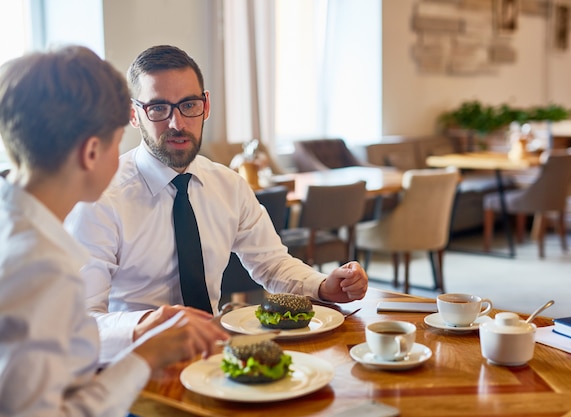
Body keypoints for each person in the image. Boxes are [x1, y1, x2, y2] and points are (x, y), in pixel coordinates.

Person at [64, 45, 368, 363]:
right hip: (131, 369)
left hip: (212, 357)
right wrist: (143, 327)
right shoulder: (99, 199)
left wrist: (323, 286)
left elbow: (273, 264)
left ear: (206, 105)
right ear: (134, 114)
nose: (176, 123)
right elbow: (79, 323)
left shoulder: (229, 185)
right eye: (158, 108)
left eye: (188, 105)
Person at [0, 46, 229, 416]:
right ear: (92, 152)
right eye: (118, 138)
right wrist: (146, 354)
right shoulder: (39, 267)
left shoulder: (17, 230)